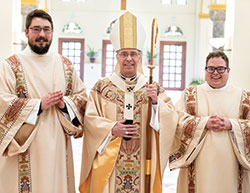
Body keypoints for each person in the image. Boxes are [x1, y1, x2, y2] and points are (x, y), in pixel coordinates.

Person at [79, 11, 177, 193]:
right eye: (124, 54)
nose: (129, 58)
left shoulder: (152, 87)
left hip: (142, 162)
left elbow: (171, 118)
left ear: (140, 57)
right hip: (110, 161)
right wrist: (111, 129)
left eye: (133, 53)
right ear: (117, 57)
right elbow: (90, 119)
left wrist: (156, 103)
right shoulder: (102, 87)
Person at [0, 9, 87, 193]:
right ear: (26, 32)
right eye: (36, 29)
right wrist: (39, 105)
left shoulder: (66, 66)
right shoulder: (10, 65)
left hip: (57, 146)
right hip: (23, 147)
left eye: (47, 30)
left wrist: (66, 105)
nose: (42, 35)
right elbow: (2, 102)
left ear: (53, 32)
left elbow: (81, 98)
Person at [169, 50, 250, 193]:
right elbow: (176, 120)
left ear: (228, 70)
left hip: (231, 166)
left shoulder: (244, 97)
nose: (215, 73)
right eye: (211, 69)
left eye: (220, 69)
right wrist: (204, 123)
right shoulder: (190, 95)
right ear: (205, 70)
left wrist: (231, 124)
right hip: (198, 164)